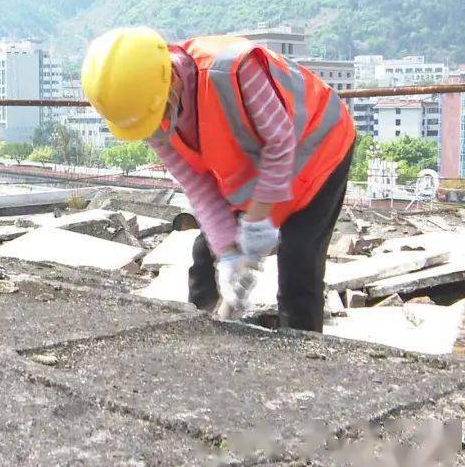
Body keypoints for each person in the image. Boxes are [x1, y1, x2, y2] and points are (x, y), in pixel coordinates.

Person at [81, 27, 355, 332]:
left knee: (298, 257)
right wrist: (229, 256)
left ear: (170, 79)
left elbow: (279, 142)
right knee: (205, 253)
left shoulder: (232, 71)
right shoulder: (151, 112)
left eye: (159, 112)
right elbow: (198, 187)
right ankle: (204, 334)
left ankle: (305, 356)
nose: (158, 126)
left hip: (320, 148)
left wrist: (258, 219)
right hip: (257, 169)